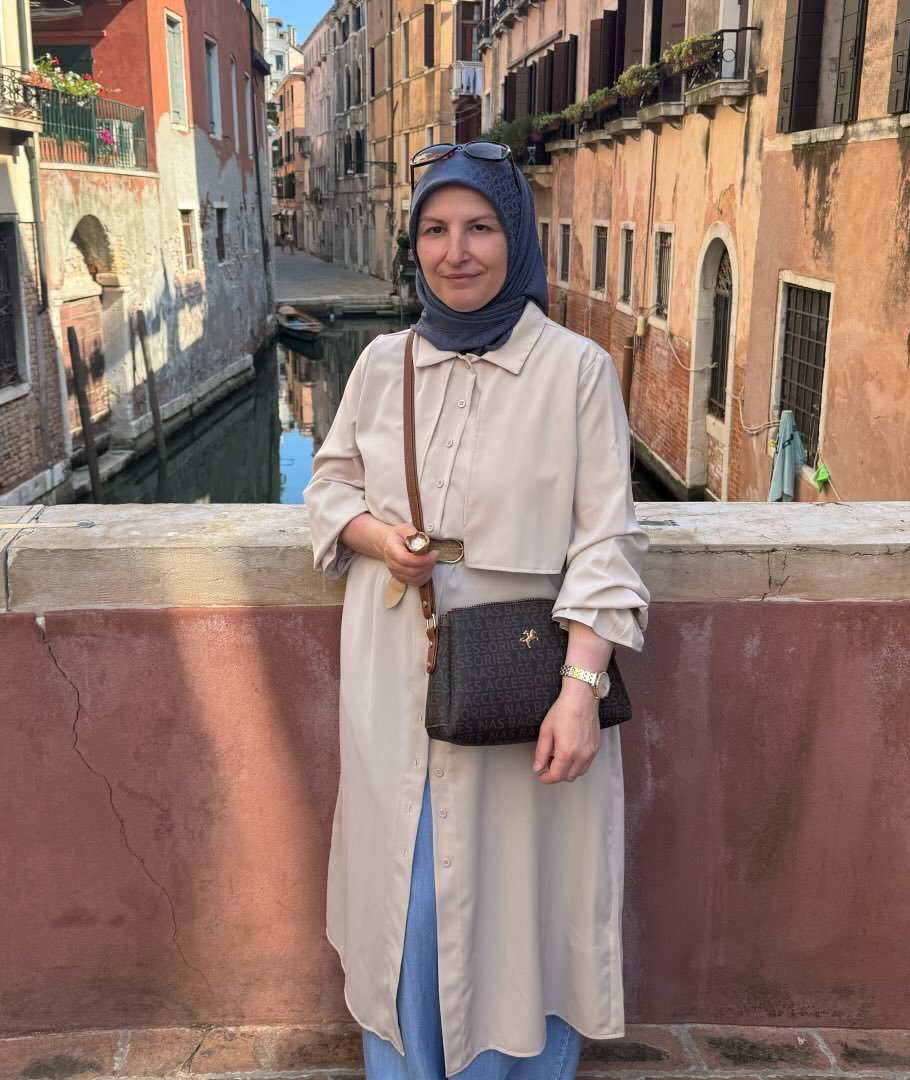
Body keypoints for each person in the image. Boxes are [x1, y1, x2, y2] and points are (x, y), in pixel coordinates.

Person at [304, 141, 649, 1080]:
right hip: (395, 668)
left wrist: (580, 691)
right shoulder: (382, 364)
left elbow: (606, 543)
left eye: (480, 228)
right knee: (407, 900)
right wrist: (380, 540)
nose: (455, 252)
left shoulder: (577, 371)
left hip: (522, 684)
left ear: (517, 238)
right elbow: (329, 486)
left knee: (514, 906)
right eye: (434, 230)